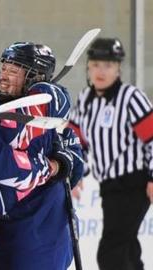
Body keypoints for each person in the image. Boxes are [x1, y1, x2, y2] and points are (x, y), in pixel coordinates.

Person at [0, 42, 84, 270]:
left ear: (35, 77)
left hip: (43, 232)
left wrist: (61, 163)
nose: (4, 76)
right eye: (4, 68)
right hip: (7, 230)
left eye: (13, 71)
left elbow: (76, 165)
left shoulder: (48, 112)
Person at [69, 37, 153, 270]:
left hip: (134, 183)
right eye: (96, 64)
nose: (101, 71)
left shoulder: (131, 98)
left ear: (118, 68)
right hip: (109, 186)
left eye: (108, 65)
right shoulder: (86, 99)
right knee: (127, 248)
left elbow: (152, 138)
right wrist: (76, 175)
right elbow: (77, 141)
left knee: (110, 252)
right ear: (88, 67)